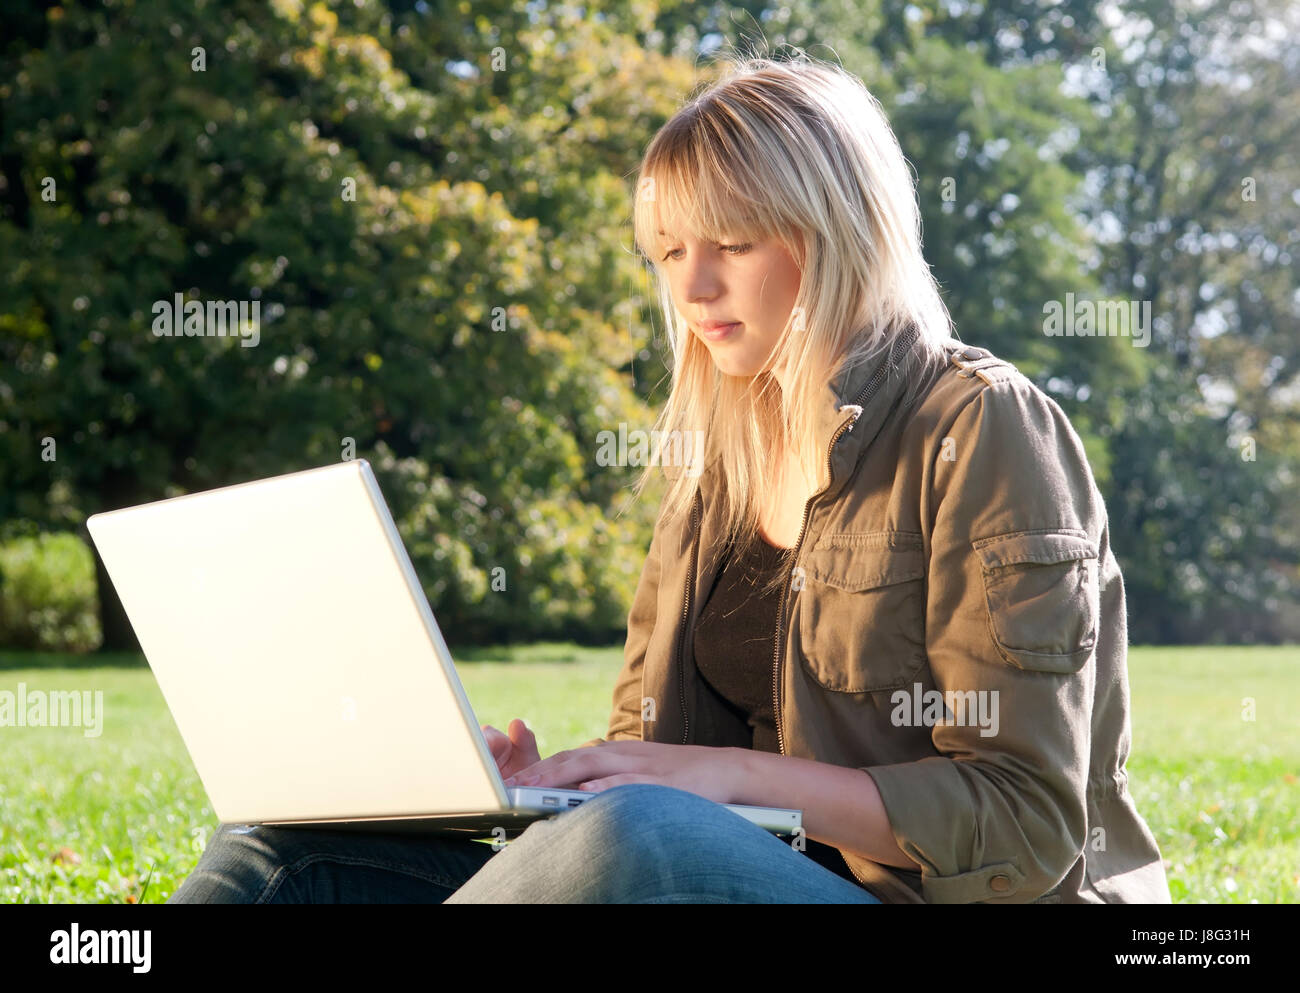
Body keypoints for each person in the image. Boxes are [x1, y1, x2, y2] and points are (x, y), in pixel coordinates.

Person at [169, 51, 1169, 904]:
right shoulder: (712, 466)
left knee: (636, 836)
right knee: (276, 855)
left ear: (838, 234)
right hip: (709, 869)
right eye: (670, 252)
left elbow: (1030, 820)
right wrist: (543, 791)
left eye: (730, 245)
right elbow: (645, 756)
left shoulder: (980, 425)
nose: (691, 289)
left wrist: (708, 782)